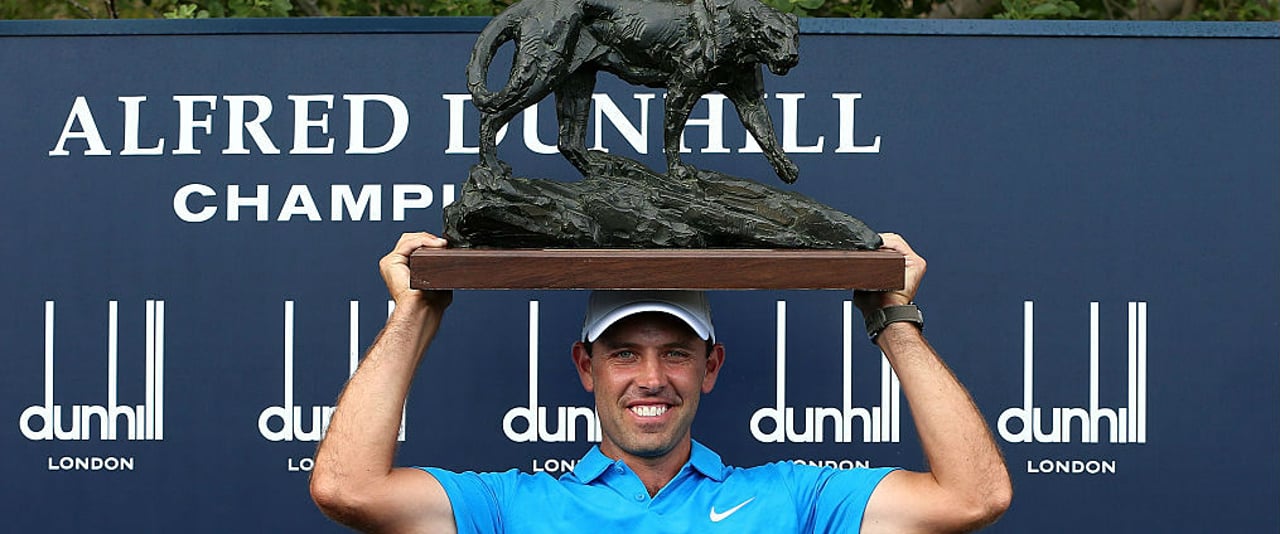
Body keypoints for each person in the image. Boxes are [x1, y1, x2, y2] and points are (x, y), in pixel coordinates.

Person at [310, 231, 1012, 533]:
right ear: (586, 367)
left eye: (676, 353)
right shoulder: (506, 506)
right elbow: (349, 489)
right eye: (624, 354)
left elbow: (974, 496)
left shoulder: (792, 497)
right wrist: (414, 312)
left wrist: (895, 318)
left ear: (711, 367)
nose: (652, 378)